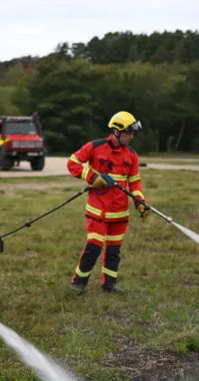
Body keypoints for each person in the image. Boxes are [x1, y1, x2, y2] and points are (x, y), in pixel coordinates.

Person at [67, 111, 148, 294]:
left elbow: (134, 182)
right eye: (129, 132)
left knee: (114, 250)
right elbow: (73, 163)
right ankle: (78, 282)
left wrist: (139, 201)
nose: (132, 136)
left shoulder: (132, 155)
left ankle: (109, 284)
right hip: (98, 211)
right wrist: (92, 177)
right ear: (117, 132)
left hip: (120, 213)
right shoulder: (95, 147)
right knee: (94, 246)